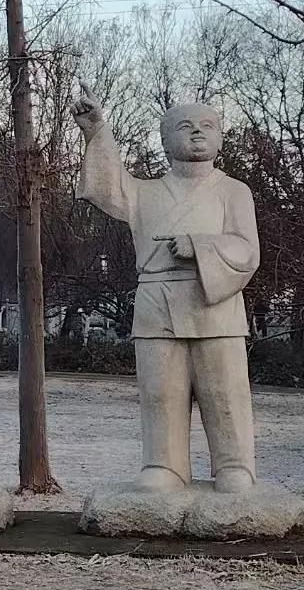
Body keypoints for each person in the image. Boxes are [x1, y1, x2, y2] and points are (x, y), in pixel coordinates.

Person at [74, 92, 259, 492]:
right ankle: (165, 464)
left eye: (207, 126)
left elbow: (247, 250)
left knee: (224, 391)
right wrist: (96, 130)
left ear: (220, 139)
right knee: (161, 391)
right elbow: (108, 187)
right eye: (184, 126)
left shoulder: (234, 191)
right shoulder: (145, 193)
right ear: (164, 140)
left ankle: (234, 464)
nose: (196, 132)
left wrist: (200, 245)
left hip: (215, 303)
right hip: (157, 302)